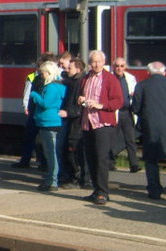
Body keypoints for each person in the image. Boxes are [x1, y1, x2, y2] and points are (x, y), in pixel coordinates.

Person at [131, 61, 166, 200]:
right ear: (164, 72)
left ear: (148, 72)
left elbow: (136, 108)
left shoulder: (141, 85)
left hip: (151, 128)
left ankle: (154, 190)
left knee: (151, 160)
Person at [77, 50, 124, 205]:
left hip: (103, 123)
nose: (96, 64)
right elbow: (80, 96)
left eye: (98, 61)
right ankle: (96, 190)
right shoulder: (86, 78)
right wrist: (81, 99)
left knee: (101, 158)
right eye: (93, 62)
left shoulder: (110, 79)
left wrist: (101, 105)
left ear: (104, 62)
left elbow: (118, 101)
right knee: (90, 158)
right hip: (87, 123)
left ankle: (103, 192)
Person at [30, 60, 66, 191]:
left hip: (48, 122)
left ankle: (52, 181)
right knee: (53, 152)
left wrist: (34, 95)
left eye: (43, 73)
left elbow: (46, 103)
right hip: (54, 121)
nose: (42, 75)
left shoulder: (51, 87)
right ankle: (52, 179)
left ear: (49, 73)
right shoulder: (60, 86)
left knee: (50, 153)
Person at [57, 56, 86, 187]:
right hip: (72, 120)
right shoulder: (73, 81)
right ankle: (71, 176)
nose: (67, 70)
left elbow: (80, 106)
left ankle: (76, 178)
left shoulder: (80, 83)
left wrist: (69, 112)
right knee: (68, 149)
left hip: (76, 122)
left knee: (73, 149)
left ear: (78, 69)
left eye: (70, 68)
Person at [111, 57, 141, 172]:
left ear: (125, 67)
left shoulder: (130, 78)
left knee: (130, 139)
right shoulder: (110, 78)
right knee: (113, 138)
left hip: (127, 112)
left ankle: (134, 164)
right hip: (115, 112)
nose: (119, 68)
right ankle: (110, 162)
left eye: (122, 66)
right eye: (117, 66)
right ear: (114, 67)